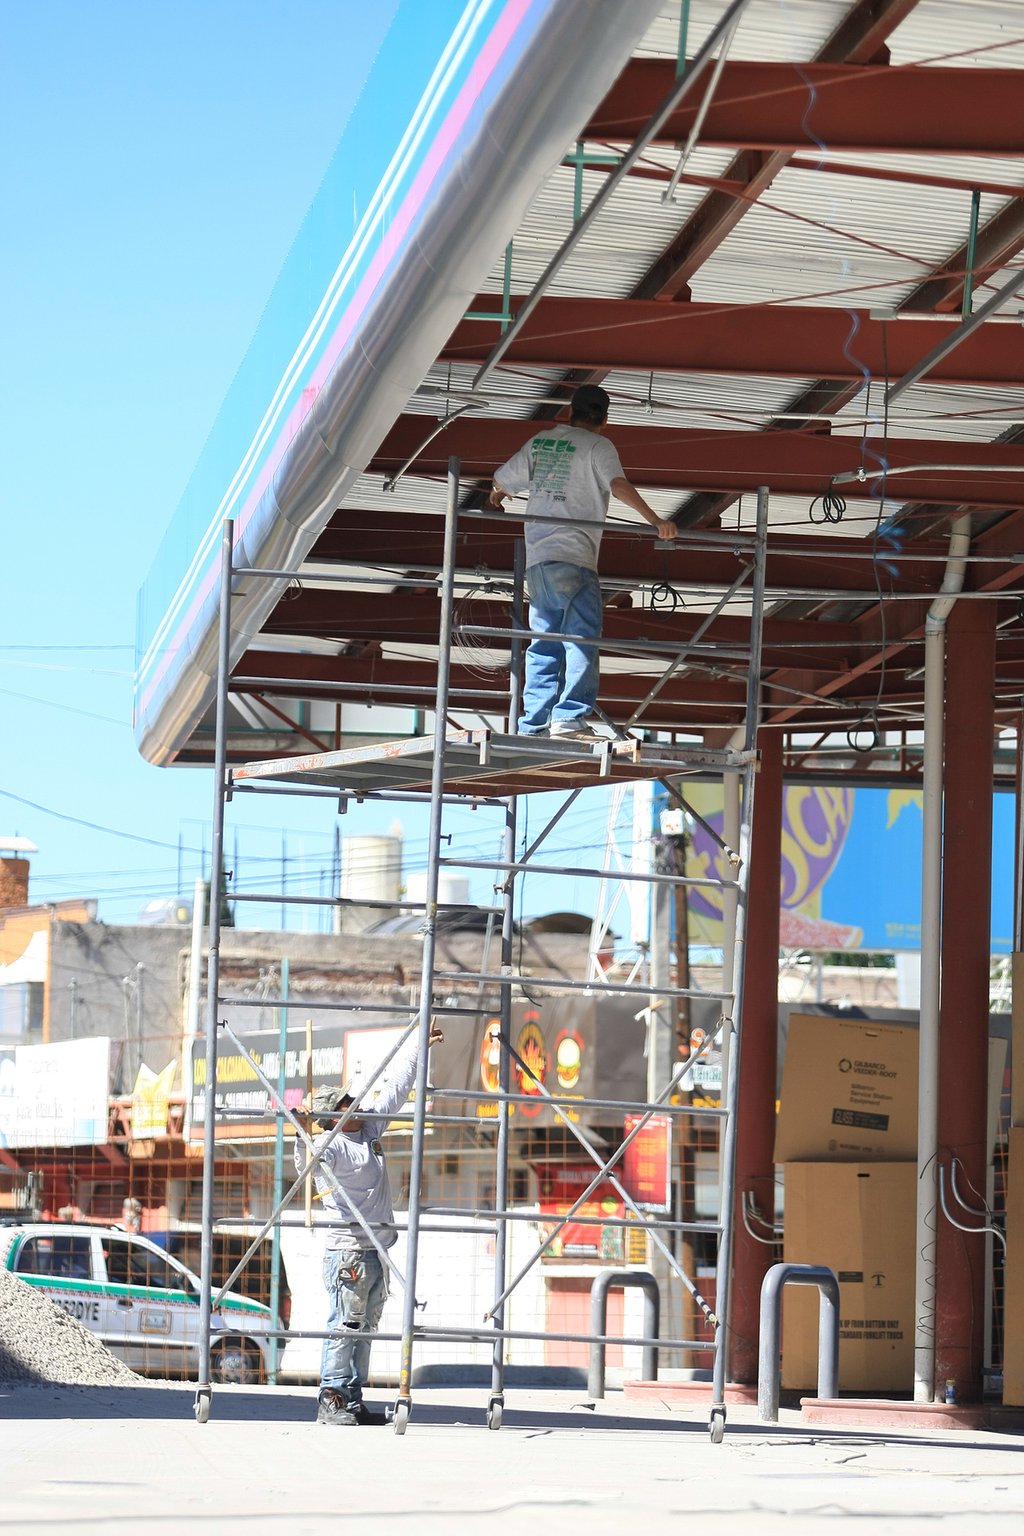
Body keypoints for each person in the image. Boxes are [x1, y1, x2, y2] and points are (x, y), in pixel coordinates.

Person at [489, 384, 678, 740]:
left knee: (543, 642)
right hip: (575, 559)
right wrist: (655, 521)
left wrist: (496, 497)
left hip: (539, 564)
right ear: (605, 419)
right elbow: (618, 485)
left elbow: (501, 480)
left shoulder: (542, 441)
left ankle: (533, 724)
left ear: (569, 413)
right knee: (581, 640)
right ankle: (569, 719)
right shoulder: (598, 446)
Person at [294, 1021, 443, 1426]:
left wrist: (419, 1046)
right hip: (349, 1249)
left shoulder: (370, 1127)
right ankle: (332, 1396)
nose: (354, 1103)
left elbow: (396, 1084)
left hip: (375, 1248)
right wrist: (302, 1130)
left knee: (366, 1326)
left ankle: (353, 1398)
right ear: (331, 1115)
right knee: (345, 1323)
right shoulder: (332, 1145)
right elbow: (306, 1162)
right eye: (344, 1103)